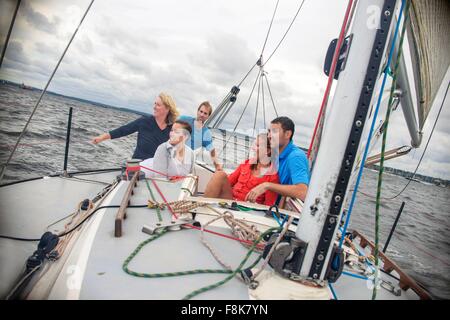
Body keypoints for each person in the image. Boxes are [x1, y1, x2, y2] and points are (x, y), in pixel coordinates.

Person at [91, 93, 179, 160]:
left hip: (157, 173)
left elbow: (175, 152)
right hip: (137, 168)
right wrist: (102, 137)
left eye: (158, 105)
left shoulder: (171, 130)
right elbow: (123, 130)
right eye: (154, 104)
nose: (154, 107)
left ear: (167, 109)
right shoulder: (144, 121)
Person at [244, 116, 310, 203]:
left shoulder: (296, 156)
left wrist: (266, 185)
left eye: (274, 132)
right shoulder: (275, 153)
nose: (269, 136)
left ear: (287, 134)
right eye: (269, 131)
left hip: (282, 212)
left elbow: (302, 192)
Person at [204, 133, 279, 206]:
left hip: (247, 210)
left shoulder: (272, 176)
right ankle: (204, 207)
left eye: (258, 146)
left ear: (268, 151)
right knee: (219, 175)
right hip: (231, 201)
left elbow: (268, 206)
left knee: (220, 175)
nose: (253, 148)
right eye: (255, 145)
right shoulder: (246, 163)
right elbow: (229, 181)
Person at [178, 101, 222, 171]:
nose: (202, 115)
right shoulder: (184, 119)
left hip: (187, 162)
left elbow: (212, 150)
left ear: (208, 116)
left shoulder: (206, 133)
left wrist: (218, 166)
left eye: (205, 113)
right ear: (197, 111)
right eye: (201, 111)